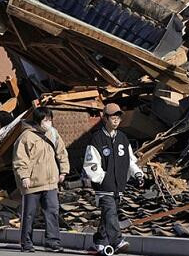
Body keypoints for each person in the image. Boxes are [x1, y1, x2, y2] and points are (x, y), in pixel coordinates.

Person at [83, 103, 145, 255]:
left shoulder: (123, 138)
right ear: (105, 118)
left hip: (119, 186)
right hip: (104, 186)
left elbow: (130, 160)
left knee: (107, 215)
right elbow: (91, 163)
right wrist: (102, 178)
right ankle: (117, 241)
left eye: (118, 116)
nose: (116, 119)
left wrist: (137, 174)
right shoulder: (97, 139)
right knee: (111, 212)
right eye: (113, 116)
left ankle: (99, 241)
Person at [13, 107, 70, 253]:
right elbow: (20, 159)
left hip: (51, 182)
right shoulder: (26, 137)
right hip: (32, 183)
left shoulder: (53, 134)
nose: (49, 123)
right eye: (46, 120)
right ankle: (26, 242)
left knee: (52, 211)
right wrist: (24, 176)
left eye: (50, 120)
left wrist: (64, 171)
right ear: (38, 121)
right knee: (29, 214)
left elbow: (62, 152)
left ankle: (53, 242)